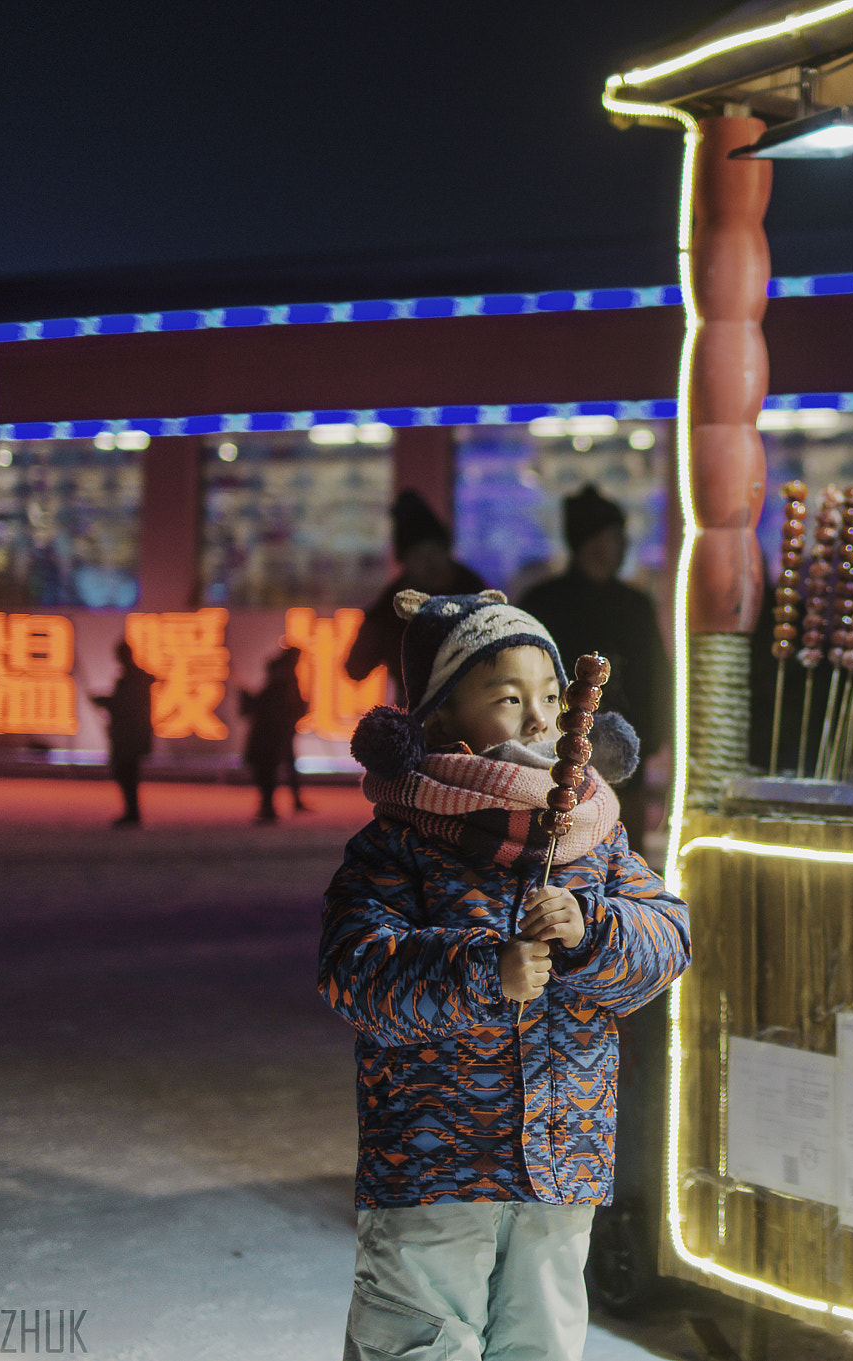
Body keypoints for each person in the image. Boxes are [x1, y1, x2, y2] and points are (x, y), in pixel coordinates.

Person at [321, 589, 689, 1361]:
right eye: (508, 697)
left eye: (551, 697)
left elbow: (665, 942)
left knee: (543, 1341)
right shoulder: (402, 838)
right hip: (433, 1163)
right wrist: (486, 972)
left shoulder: (597, 833)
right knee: (419, 1338)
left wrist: (592, 933)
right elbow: (357, 971)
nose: (538, 719)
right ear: (442, 716)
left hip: (563, 1154)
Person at [517, 486, 672, 849]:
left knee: (623, 855)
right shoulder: (546, 603)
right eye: (616, 536)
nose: (624, 545)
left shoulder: (636, 605)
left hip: (626, 757)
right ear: (591, 542)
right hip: (554, 755)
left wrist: (656, 736)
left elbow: (656, 678)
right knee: (559, 848)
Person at [346, 488, 488, 705]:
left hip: (474, 712)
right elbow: (355, 669)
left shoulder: (476, 594)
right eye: (419, 555)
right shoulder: (390, 608)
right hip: (416, 719)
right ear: (405, 562)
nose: (429, 562)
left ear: (446, 550)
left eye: (434, 551)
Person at [239, 645, 310, 823]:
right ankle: (269, 805)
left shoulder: (284, 679)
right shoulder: (283, 680)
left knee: (269, 769)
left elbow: (261, 705)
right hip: (273, 733)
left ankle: (269, 806)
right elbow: (266, 705)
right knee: (270, 769)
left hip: (274, 733)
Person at [91, 640, 154, 827]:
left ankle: (132, 812)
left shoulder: (134, 679)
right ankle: (131, 811)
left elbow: (126, 705)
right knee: (126, 774)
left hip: (130, 736)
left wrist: (105, 702)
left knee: (127, 774)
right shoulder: (133, 678)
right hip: (130, 735)